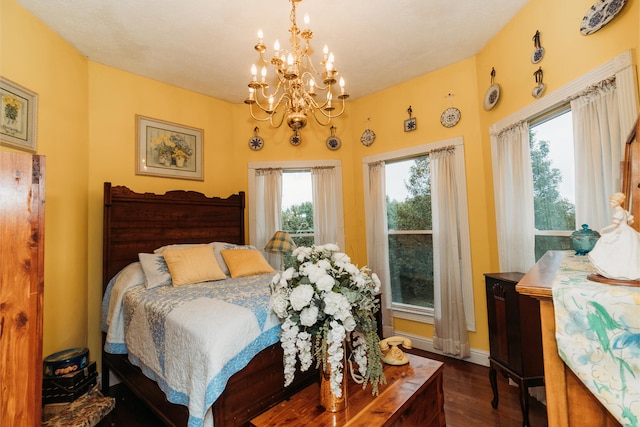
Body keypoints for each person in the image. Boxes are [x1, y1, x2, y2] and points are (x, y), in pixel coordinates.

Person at [588, 192, 640, 281]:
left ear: (619, 203)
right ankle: (602, 270)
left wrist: (603, 229)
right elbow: (629, 221)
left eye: (614, 202)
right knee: (617, 251)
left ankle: (611, 270)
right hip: (625, 230)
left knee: (610, 246)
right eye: (611, 201)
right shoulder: (622, 210)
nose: (611, 203)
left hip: (622, 231)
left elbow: (615, 225)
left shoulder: (619, 212)